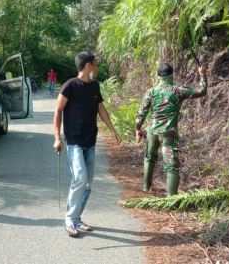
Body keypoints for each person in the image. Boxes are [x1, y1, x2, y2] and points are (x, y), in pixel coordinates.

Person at [53, 51, 121, 238]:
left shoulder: (94, 86)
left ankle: (76, 218)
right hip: (74, 141)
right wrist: (57, 138)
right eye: (96, 64)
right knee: (80, 178)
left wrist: (113, 129)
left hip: (90, 141)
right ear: (89, 65)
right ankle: (69, 219)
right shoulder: (70, 86)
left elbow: (101, 108)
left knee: (88, 184)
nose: (97, 68)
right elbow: (58, 111)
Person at [136, 63, 207, 196]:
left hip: (152, 131)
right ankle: (171, 197)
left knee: (149, 158)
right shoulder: (178, 91)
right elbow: (202, 91)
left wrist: (138, 129)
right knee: (172, 166)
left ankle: (146, 187)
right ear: (171, 75)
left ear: (158, 76)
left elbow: (141, 114)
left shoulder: (151, 92)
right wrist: (202, 75)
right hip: (168, 133)